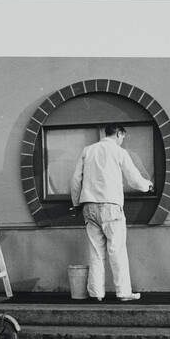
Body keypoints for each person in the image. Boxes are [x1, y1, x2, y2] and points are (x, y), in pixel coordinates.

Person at [70, 124, 154, 302]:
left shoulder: (88, 150)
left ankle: (96, 293)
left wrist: (77, 202)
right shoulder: (119, 152)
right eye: (123, 136)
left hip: (88, 206)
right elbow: (133, 178)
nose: (123, 140)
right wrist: (148, 186)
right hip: (111, 206)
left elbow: (76, 178)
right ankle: (123, 292)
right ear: (119, 133)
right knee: (117, 250)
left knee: (96, 251)